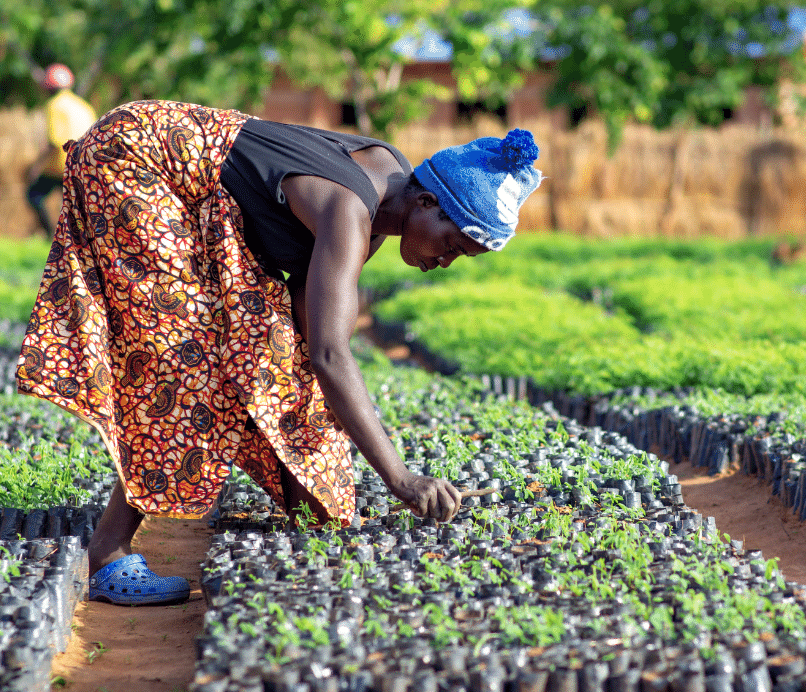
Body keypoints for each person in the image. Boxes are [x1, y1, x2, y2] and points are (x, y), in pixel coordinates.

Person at [16, 99, 542, 605]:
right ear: (427, 202)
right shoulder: (349, 209)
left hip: (168, 168)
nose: (445, 261)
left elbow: (305, 333)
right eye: (452, 245)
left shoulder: (390, 180)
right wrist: (400, 478)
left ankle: (295, 500)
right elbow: (330, 355)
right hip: (137, 160)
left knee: (262, 351)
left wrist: (311, 468)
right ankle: (107, 553)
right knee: (190, 362)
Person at [23, 64, 97, 238]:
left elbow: (54, 142)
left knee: (34, 195)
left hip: (61, 165)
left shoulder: (54, 105)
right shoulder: (84, 106)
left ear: (48, 87)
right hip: (84, 165)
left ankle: (50, 234)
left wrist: (36, 167)